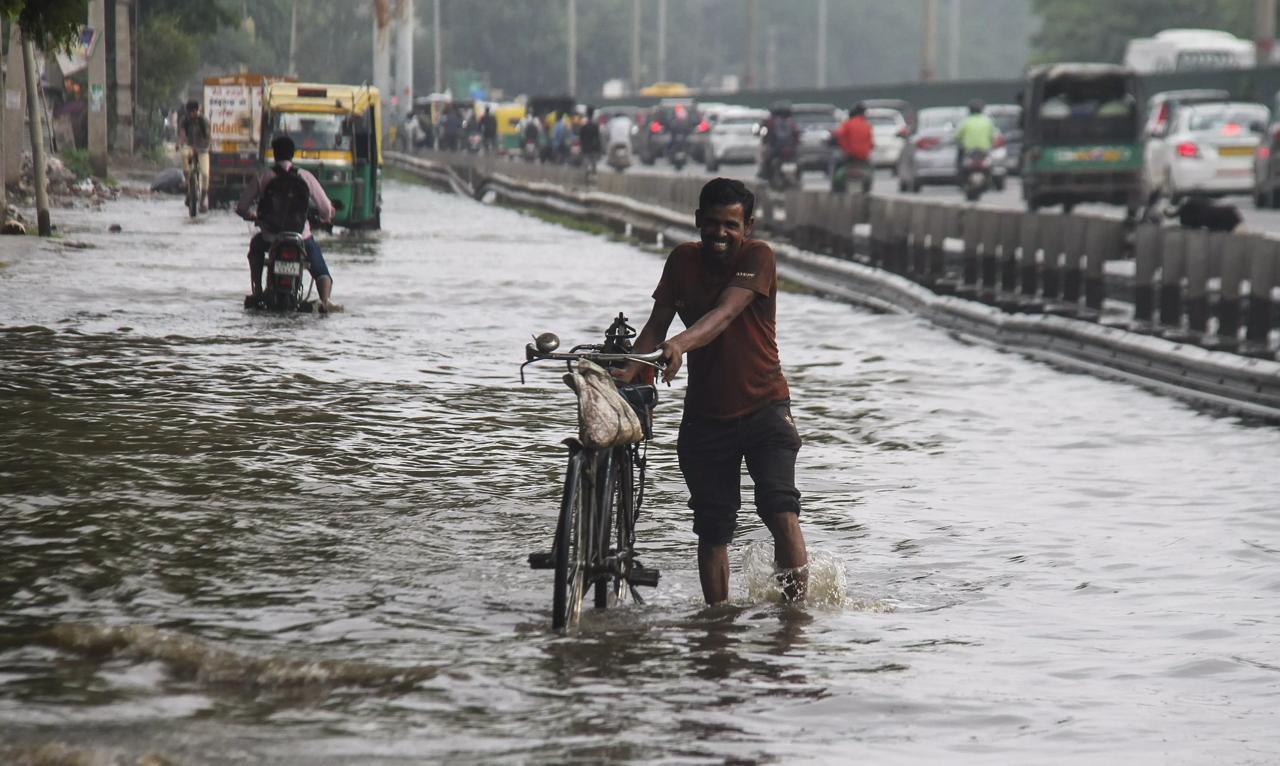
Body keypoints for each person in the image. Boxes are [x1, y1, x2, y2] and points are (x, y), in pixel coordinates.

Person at [615, 177, 808, 605]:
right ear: (698, 220)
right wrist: (628, 372)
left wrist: (679, 345)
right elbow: (656, 326)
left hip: (765, 408)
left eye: (731, 225)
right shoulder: (682, 261)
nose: (720, 233)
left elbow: (725, 313)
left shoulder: (759, 257)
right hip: (706, 416)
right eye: (713, 223)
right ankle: (716, 625)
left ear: (747, 227)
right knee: (713, 527)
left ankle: (795, 620)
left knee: (781, 511)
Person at [235, 135, 339, 312]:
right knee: (319, 266)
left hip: (270, 237)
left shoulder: (263, 176)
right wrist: (326, 216)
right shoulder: (305, 177)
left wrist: (251, 215)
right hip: (301, 237)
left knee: (255, 247)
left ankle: (257, 289)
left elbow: (241, 207)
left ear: (274, 154)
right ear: (293, 154)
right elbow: (326, 209)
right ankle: (325, 300)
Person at [175, 99, 212, 212]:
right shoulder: (185, 120)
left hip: (202, 149)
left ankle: (202, 200)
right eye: (189, 112)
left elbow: (208, 137)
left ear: (197, 111)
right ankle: (187, 181)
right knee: (184, 154)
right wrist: (179, 143)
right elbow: (182, 134)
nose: (191, 114)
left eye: (193, 112)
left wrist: (203, 147)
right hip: (190, 147)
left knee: (205, 174)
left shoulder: (204, 121)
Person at [831, 102, 874, 187]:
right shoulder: (867, 125)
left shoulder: (848, 124)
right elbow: (871, 143)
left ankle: (836, 188)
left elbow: (839, 135)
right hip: (863, 157)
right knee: (870, 168)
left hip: (849, 156)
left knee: (836, 164)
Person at [759, 101, 799, 180]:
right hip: (788, 147)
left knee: (766, 158)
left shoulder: (770, 122)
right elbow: (796, 135)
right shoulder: (792, 122)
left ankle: (765, 175)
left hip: (777, 147)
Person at [954, 99, 996, 172]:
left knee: (960, 163)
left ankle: (959, 175)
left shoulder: (966, 122)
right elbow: (993, 136)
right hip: (984, 151)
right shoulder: (987, 121)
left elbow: (957, 136)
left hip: (969, 151)